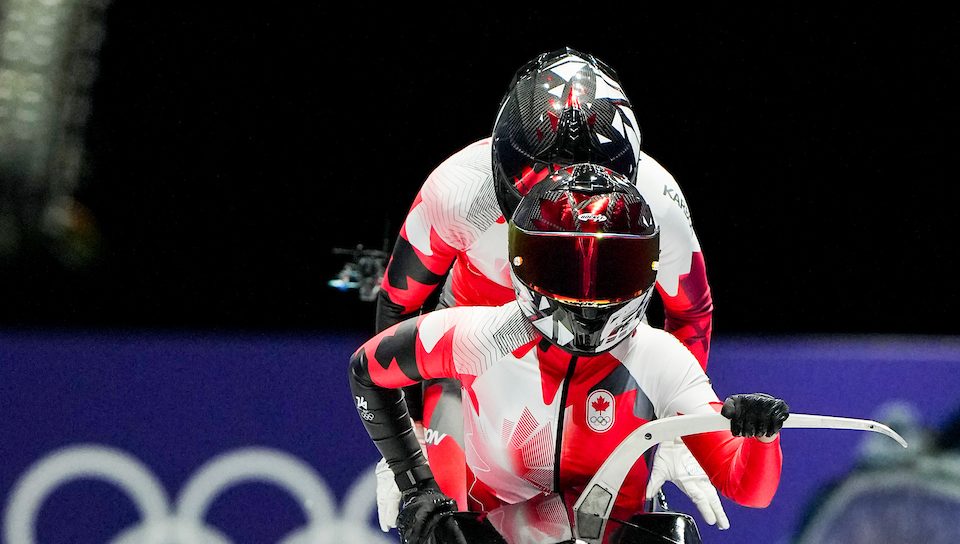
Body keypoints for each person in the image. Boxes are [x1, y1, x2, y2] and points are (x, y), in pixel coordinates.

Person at [374, 47, 719, 531]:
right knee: (447, 523)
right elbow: (399, 306)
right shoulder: (457, 191)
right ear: (505, 161)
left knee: (608, 525)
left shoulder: (658, 202)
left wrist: (678, 429)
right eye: (543, 173)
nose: (564, 199)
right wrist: (409, 439)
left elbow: (691, 314)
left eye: (590, 183)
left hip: (602, 359)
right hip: (473, 356)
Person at [351, 167, 788, 544]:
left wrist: (761, 436)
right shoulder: (479, 335)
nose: (588, 295)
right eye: (566, 267)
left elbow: (748, 487)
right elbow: (366, 373)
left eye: (611, 268)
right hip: (494, 529)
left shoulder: (659, 358)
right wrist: (415, 483)